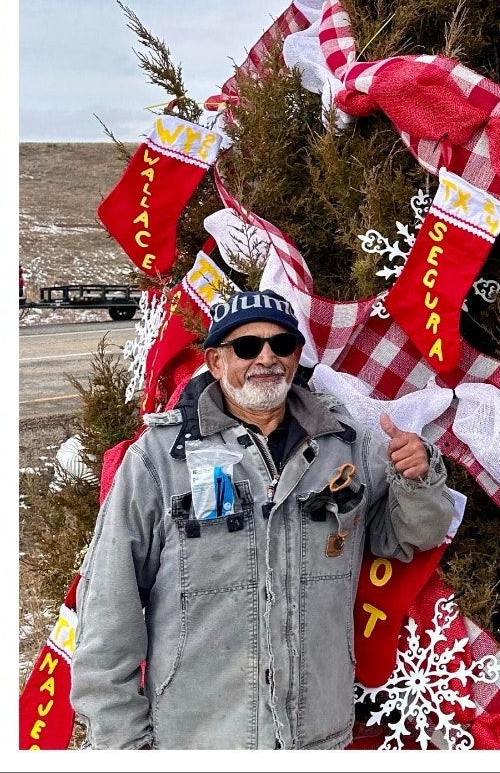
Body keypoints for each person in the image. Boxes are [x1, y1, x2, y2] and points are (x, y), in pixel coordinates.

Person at [70, 289, 455, 750]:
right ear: (215, 361)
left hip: (318, 739)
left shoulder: (348, 446)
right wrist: (123, 746)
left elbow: (411, 536)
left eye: (282, 344)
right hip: (198, 741)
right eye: (247, 346)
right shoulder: (157, 460)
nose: (267, 357)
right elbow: (108, 613)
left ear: (296, 358)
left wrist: (418, 479)